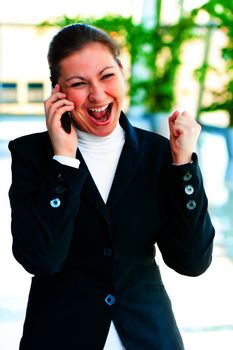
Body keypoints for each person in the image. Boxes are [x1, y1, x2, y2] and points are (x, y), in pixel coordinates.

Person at [8, 23, 215, 350]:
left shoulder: (160, 154)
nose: (98, 95)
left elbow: (192, 262)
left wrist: (184, 166)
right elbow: (41, 260)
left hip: (148, 336)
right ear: (57, 91)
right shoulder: (31, 155)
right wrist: (63, 161)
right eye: (78, 83)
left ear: (122, 72)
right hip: (59, 335)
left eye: (107, 76)